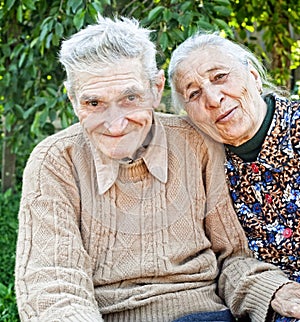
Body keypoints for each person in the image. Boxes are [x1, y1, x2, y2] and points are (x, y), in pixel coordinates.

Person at [15, 15, 300, 322]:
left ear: (155, 89)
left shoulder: (196, 143)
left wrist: (275, 292)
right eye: (94, 103)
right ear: (73, 101)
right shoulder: (56, 160)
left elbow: (231, 257)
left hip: (205, 317)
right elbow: (54, 285)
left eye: (130, 97)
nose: (115, 124)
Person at [168, 32, 300, 321]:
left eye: (219, 77)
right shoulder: (200, 164)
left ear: (253, 76)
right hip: (261, 305)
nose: (213, 99)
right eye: (193, 94)